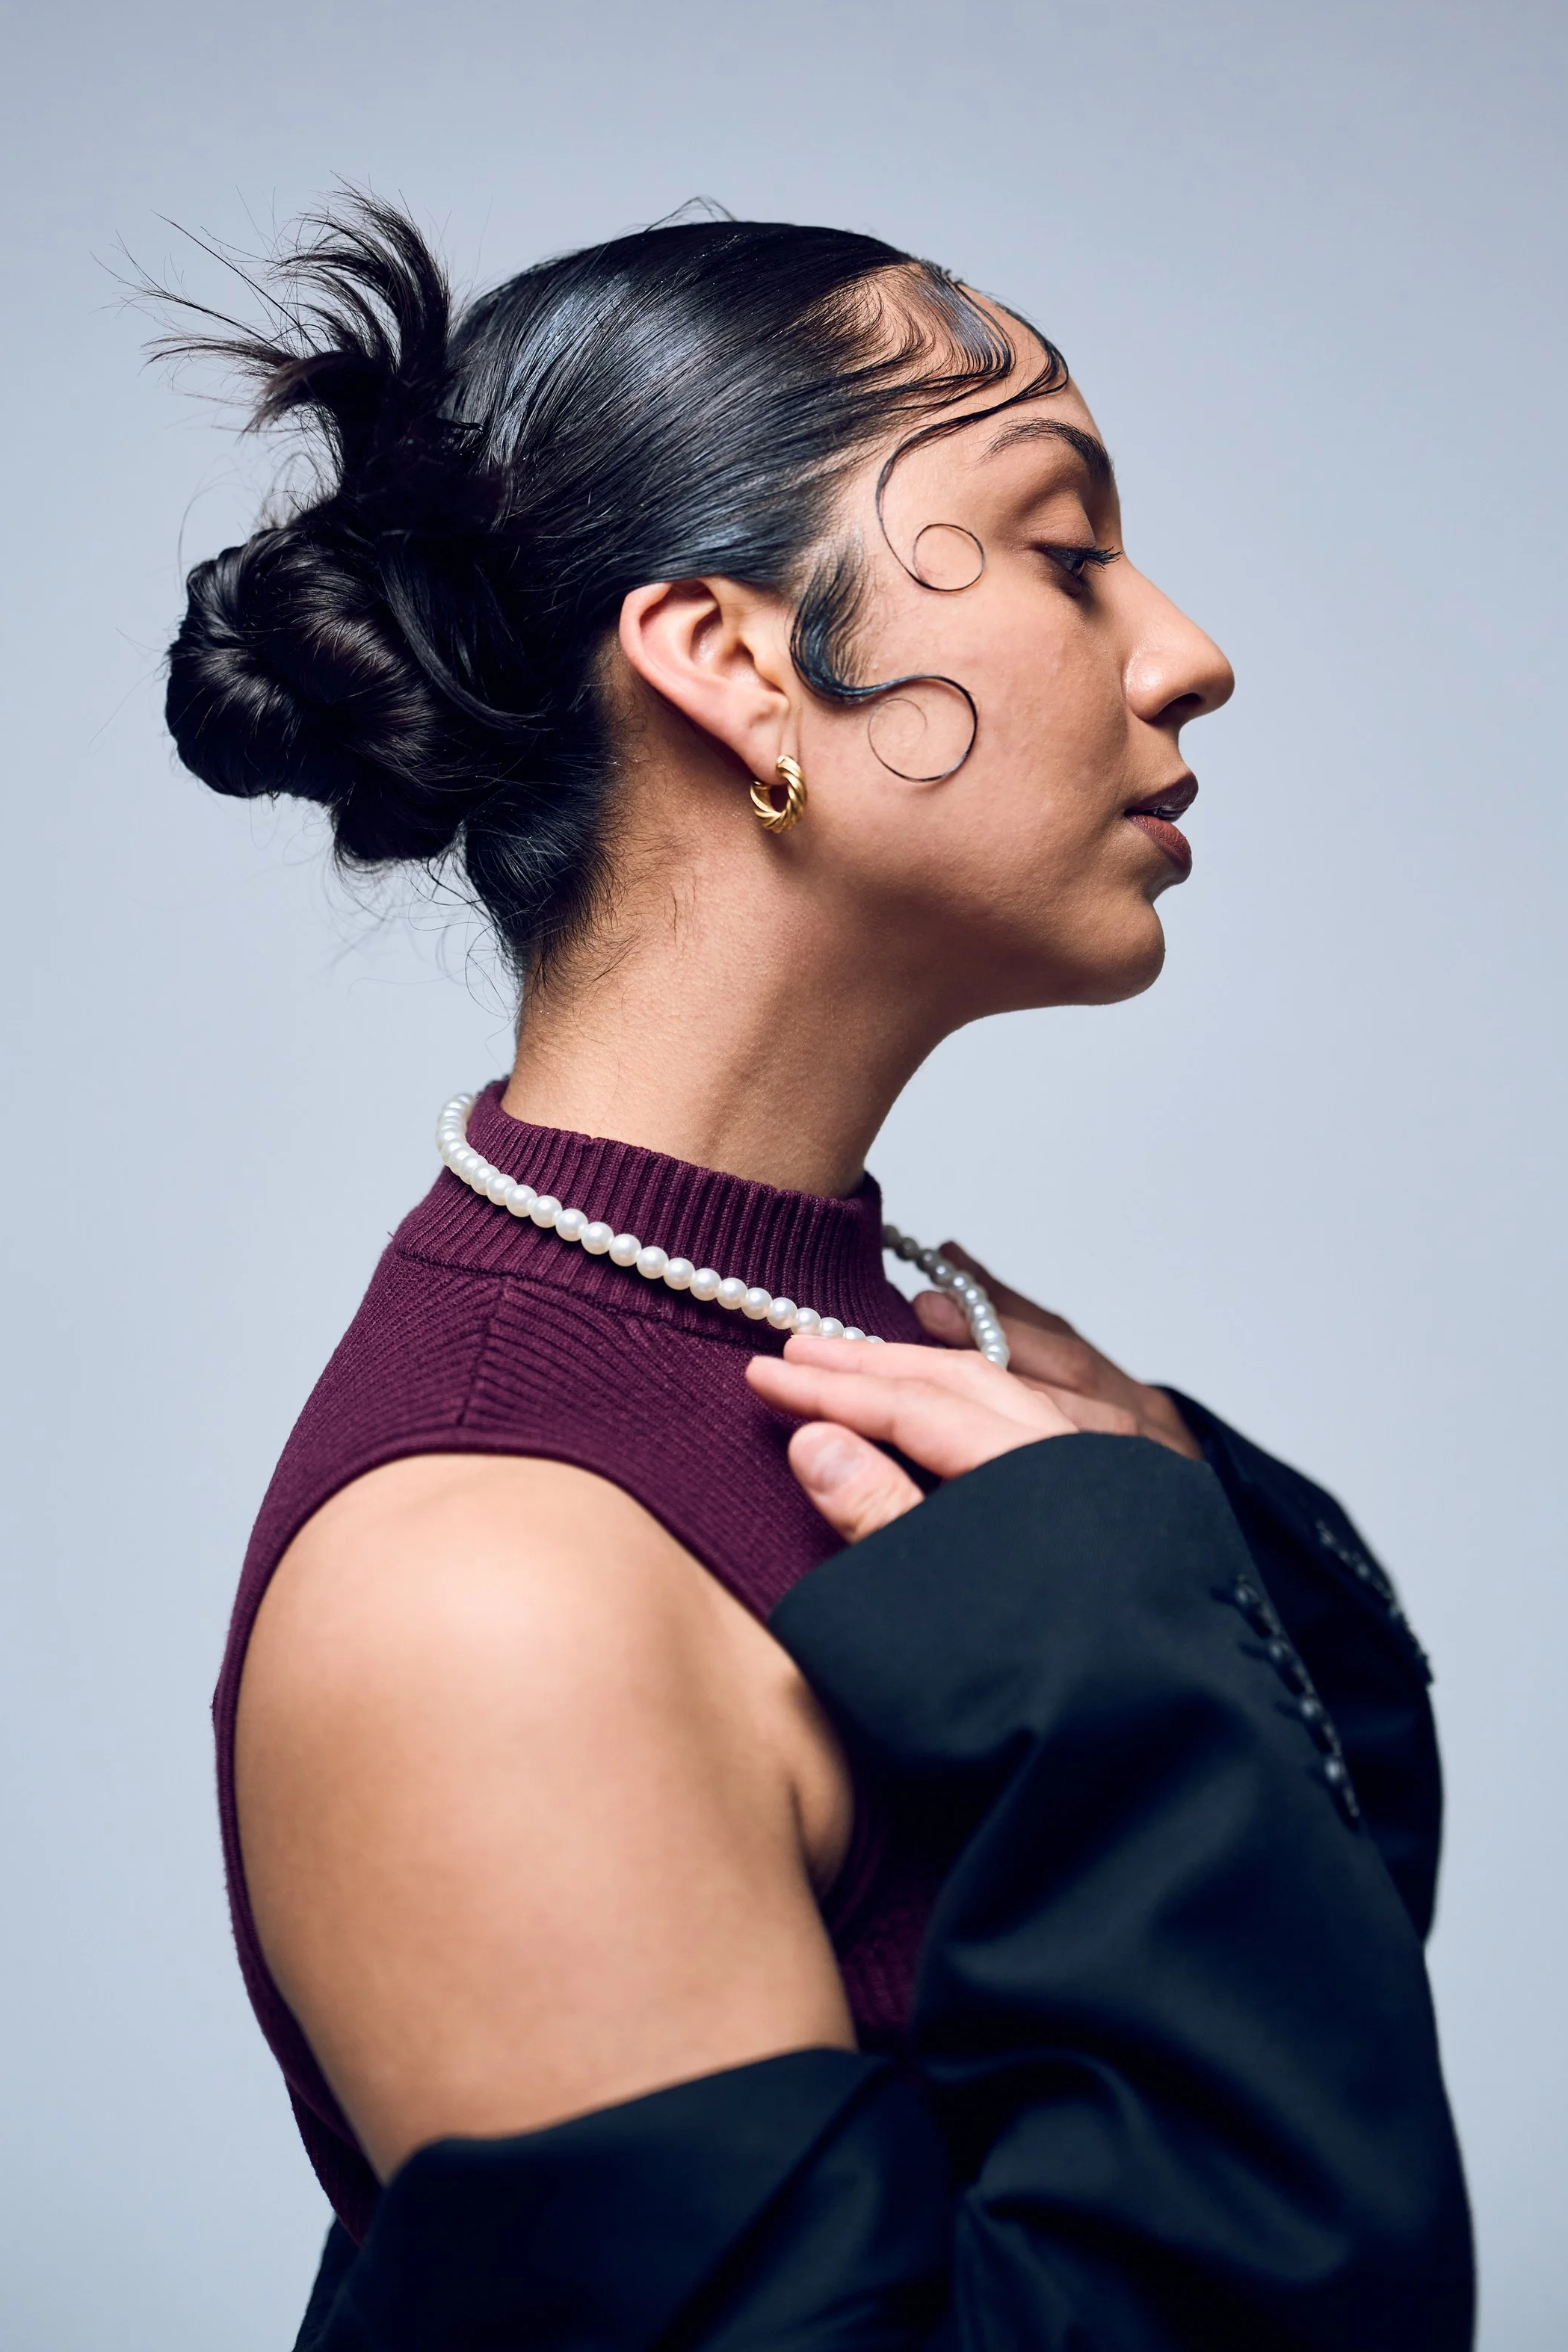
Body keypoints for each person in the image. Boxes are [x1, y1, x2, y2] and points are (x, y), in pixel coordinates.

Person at [161, 202, 1472, 2349]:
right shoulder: (489, 1587)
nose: (1184, 648)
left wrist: (1150, 1586)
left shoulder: (952, 1370)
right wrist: (1135, 1654)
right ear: (734, 664)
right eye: (1064, 553)